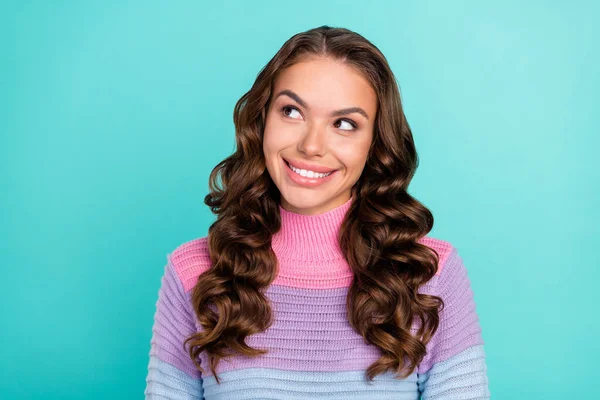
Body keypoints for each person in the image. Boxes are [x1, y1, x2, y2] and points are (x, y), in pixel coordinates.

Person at [144, 25, 490, 399]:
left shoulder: (429, 273)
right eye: (291, 111)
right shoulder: (195, 272)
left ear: (375, 144)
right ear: (261, 123)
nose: (311, 146)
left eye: (344, 124)